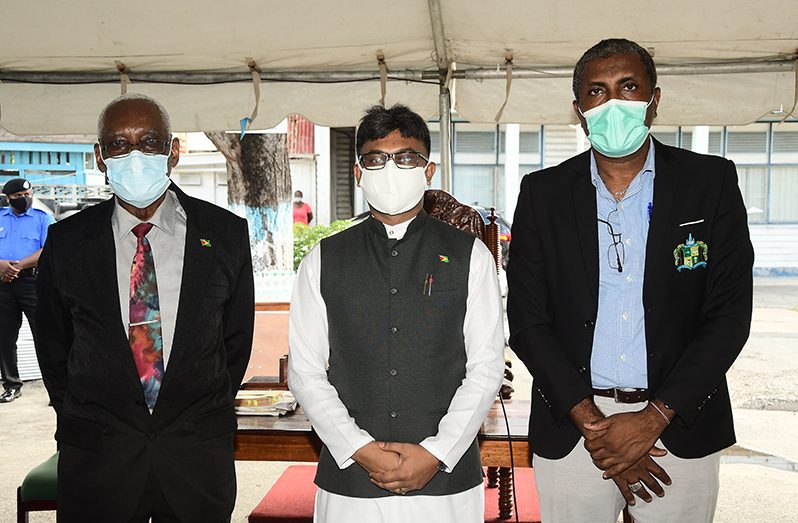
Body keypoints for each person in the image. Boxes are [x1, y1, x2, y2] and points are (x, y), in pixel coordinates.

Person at [507, 38, 754, 523]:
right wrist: (595, 426)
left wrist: (653, 419)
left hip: (679, 422)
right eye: (597, 92)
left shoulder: (711, 183)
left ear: (653, 101)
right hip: (573, 427)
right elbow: (527, 321)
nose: (613, 103)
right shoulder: (543, 194)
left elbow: (728, 316)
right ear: (580, 111)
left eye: (628, 87)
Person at [35, 93, 254, 522]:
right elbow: (54, 347)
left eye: (150, 142)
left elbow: (234, 342)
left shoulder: (225, 235)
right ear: (100, 157)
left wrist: (192, 410)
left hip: (196, 459)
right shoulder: (67, 242)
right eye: (119, 144)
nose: (135, 155)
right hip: (98, 459)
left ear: (173, 152)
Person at [288, 104, 505, 523]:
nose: (390, 169)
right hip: (351, 482)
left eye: (405, 157)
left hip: (445, 481)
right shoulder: (324, 259)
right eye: (376, 159)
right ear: (358, 172)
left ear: (428, 170)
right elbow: (305, 371)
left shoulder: (468, 255)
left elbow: (486, 367)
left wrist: (436, 453)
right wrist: (360, 449)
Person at [0, 178, 54, 403]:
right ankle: (11, 384)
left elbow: (47, 248)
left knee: (46, 335)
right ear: (8, 198)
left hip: (32, 283)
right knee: (4, 336)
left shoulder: (42, 218)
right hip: (2, 285)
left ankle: (56, 387)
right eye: (18, 197)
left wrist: (17, 266)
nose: (25, 199)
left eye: (28, 194)